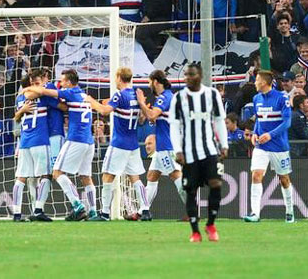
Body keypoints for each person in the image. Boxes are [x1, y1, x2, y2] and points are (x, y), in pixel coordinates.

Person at [23, 69, 97, 221]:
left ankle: (77, 205)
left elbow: (54, 101)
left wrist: (25, 89)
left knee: (55, 173)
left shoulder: (59, 90)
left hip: (66, 137)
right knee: (84, 176)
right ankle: (93, 212)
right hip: (86, 140)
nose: (60, 84)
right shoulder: (83, 95)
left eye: (62, 81)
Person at [168, 64, 229, 242]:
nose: (187, 77)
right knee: (191, 191)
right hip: (188, 152)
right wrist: (177, 150)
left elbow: (219, 120)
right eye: (185, 74)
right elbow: (174, 126)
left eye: (191, 74)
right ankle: (195, 231)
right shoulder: (178, 98)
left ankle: (210, 224)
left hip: (210, 149)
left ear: (200, 75)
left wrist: (224, 145)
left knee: (216, 184)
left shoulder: (212, 94)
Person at [86, 67, 150, 221]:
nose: (114, 81)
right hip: (133, 144)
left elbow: (104, 111)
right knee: (135, 178)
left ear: (120, 78)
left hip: (119, 143)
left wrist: (91, 101)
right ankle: (146, 210)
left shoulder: (120, 95)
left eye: (115, 78)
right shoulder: (136, 94)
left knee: (108, 176)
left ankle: (105, 213)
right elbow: (141, 118)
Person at [243, 71, 294, 223]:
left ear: (265, 82)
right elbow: (259, 119)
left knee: (284, 179)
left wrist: (270, 135)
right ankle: (255, 214)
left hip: (279, 146)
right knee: (256, 175)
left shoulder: (282, 97)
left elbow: (287, 122)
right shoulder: (256, 98)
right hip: (261, 146)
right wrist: (254, 133)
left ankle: (290, 211)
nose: (255, 83)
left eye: (257, 80)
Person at [136, 70, 186, 215]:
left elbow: (151, 116)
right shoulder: (170, 96)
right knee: (152, 175)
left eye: (149, 82)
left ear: (156, 82)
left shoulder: (163, 98)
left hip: (166, 145)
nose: (149, 85)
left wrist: (141, 103)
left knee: (176, 175)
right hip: (164, 145)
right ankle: (142, 211)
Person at [11, 72, 56, 222]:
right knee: (46, 175)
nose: (41, 85)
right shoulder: (42, 96)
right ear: (32, 84)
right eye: (38, 83)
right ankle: (38, 210)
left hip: (24, 142)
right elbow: (60, 104)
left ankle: (16, 214)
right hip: (40, 140)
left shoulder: (19, 98)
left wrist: (22, 110)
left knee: (21, 177)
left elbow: (16, 117)